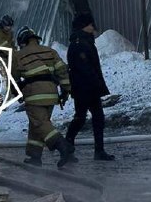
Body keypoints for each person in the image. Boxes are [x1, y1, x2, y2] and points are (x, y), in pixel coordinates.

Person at [14, 25, 77, 168]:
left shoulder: (19, 55)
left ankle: (63, 147)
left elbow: (13, 77)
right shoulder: (50, 51)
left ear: (22, 41)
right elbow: (62, 71)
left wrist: (16, 93)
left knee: (41, 124)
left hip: (34, 94)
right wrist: (66, 90)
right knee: (38, 124)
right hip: (51, 93)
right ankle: (34, 156)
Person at [65, 12, 115, 161]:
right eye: (90, 24)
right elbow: (84, 68)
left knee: (97, 117)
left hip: (89, 88)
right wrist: (96, 83)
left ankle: (98, 150)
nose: (93, 27)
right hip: (83, 88)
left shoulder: (85, 42)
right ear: (83, 26)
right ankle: (67, 144)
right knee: (80, 118)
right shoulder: (79, 44)